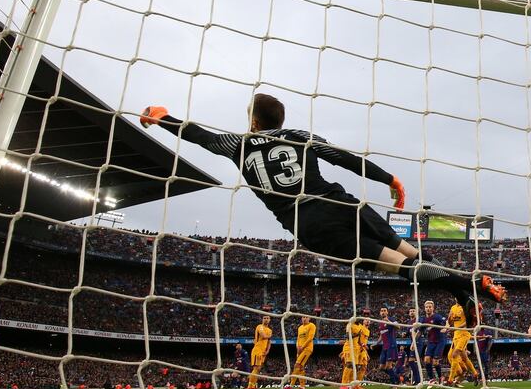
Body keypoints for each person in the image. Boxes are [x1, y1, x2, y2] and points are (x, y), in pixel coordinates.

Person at [139, 96, 506, 307]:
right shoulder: (299, 135)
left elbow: (199, 136)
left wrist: (163, 117)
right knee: (410, 251)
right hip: (344, 202)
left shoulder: (240, 144)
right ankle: (464, 294)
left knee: (401, 267)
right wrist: (388, 179)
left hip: (312, 225)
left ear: (254, 121)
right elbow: (342, 158)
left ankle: (473, 285)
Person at [447, 300, 479, 386]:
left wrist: (457, 328)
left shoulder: (466, 307)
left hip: (464, 334)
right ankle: (475, 374)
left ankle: (450, 380)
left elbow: (468, 322)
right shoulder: (453, 308)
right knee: (463, 358)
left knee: (454, 355)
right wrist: (449, 318)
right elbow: (451, 322)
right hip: (456, 335)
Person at [420, 300, 447, 388]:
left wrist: (445, 328)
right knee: (426, 360)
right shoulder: (423, 320)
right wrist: (413, 342)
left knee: (435, 362)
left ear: (433, 308)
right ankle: (432, 379)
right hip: (430, 342)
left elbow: (446, 323)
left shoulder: (437, 317)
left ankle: (440, 378)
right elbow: (420, 331)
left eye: (430, 307)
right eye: (427, 307)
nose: (428, 308)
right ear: (424, 308)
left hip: (440, 341)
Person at [285, 316, 316, 389]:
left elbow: (310, 338)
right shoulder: (300, 328)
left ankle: (291, 386)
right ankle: (302, 387)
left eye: (306, 317)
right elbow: (298, 339)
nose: (304, 318)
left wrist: (302, 347)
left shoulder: (311, 325)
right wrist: (297, 348)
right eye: (303, 317)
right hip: (300, 350)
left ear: (309, 318)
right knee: (301, 367)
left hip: (307, 349)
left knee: (297, 365)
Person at [247, 315, 272, 389]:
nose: (266, 319)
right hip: (257, 350)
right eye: (264, 318)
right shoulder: (259, 326)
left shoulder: (269, 330)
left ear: (269, 320)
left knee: (258, 369)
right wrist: (269, 336)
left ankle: (253, 386)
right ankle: (250, 387)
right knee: (256, 368)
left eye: (267, 318)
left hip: (263, 352)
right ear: (262, 319)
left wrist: (267, 350)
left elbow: (269, 342)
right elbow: (263, 336)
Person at [377, 307, 400, 387]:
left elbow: (398, 327)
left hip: (391, 345)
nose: (383, 312)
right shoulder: (380, 323)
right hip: (384, 347)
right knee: (381, 368)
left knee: (388, 366)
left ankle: (394, 384)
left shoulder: (391, 319)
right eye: (381, 311)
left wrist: (389, 321)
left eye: (384, 311)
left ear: (387, 312)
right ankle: (397, 378)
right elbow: (381, 335)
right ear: (380, 313)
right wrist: (376, 343)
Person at [339, 319, 364, 389]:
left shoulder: (360, 326)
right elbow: (348, 336)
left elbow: (359, 339)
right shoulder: (349, 324)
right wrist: (357, 334)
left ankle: (352, 385)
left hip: (356, 348)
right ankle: (343, 384)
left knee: (354, 367)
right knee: (349, 364)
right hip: (349, 347)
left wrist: (362, 347)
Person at [405, 308, 422, 385]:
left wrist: (413, 343)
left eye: (413, 311)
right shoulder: (409, 322)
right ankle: (417, 380)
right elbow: (409, 332)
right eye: (410, 311)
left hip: (417, 343)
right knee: (412, 362)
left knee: (412, 361)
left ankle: (418, 380)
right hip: (413, 343)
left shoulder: (418, 320)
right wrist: (405, 334)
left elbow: (418, 333)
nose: (412, 312)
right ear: (409, 313)